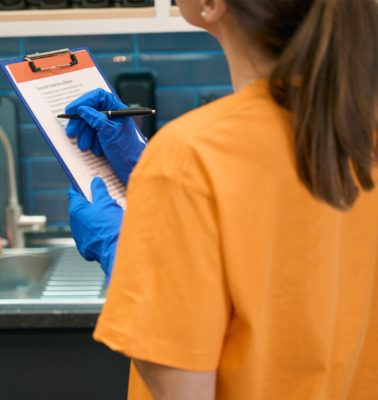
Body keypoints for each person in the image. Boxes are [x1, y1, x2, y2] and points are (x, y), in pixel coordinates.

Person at [65, 0, 378, 399]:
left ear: (213, 4)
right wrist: (157, 187)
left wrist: (122, 251)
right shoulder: (362, 125)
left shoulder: (191, 155)